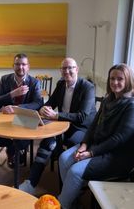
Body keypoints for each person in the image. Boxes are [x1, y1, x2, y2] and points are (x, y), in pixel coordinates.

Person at [58, 63, 134, 209]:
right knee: (64, 158)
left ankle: (62, 204)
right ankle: (72, 198)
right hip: (97, 146)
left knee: (74, 171)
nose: (115, 82)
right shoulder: (108, 99)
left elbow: (119, 139)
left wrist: (90, 153)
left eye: (120, 79)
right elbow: (93, 125)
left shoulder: (133, 106)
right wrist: (84, 144)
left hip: (116, 156)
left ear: (128, 80)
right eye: (112, 78)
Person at [19, 57, 96, 194]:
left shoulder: (87, 87)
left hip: (81, 127)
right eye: (63, 68)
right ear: (61, 71)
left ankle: (70, 189)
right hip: (62, 124)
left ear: (77, 69)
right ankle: (31, 183)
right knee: (47, 142)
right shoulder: (61, 84)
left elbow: (82, 116)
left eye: (70, 68)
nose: (67, 71)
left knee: (68, 143)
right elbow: (51, 103)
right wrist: (44, 108)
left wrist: (56, 116)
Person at [0, 53, 42, 168]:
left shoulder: (34, 82)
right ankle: (15, 150)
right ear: (13, 66)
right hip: (5, 118)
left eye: (24, 64)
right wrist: (13, 94)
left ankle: (14, 151)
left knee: (32, 127)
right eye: (18, 64)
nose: (21, 67)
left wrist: (17, 109)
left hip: (24, 117)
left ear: (28, 67)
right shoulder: (5, 79)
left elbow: (38, 103)